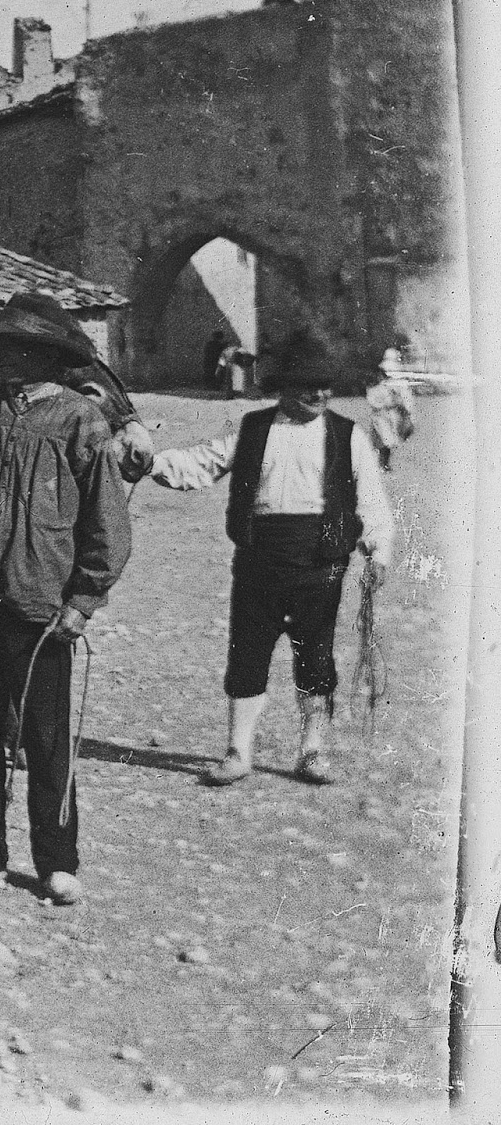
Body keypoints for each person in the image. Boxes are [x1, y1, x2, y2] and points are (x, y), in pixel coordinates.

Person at [0, 292, 133, 906]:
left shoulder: (80, 421)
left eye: (11, 345)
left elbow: (107, 521)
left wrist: (84, 599)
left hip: (41, 605)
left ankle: (56, 861)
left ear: (43, 355)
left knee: (46, 739)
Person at [146, 327, 394, 787]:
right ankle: (238, 753)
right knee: (247, 655)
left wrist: (377, 552)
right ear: (283, 387)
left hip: (321, 564)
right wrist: (151, 462)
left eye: (325, 386)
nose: (319, 395)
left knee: (316, 658)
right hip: (258, 561)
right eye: (307, 386)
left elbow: (372, 500)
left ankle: (312, 752)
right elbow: (201, 463)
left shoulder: (348, 435)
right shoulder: (253, 429)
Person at [366, 346, 417, 472]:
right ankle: (379, 464)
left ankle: (384, 463)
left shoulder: (399, 384)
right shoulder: (376, 385)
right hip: (380, 416)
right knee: (382, 441)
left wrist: (405, 409)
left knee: (389, 441)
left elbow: (406, 400)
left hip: (393, 416)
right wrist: (383, 404)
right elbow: (372, 399)